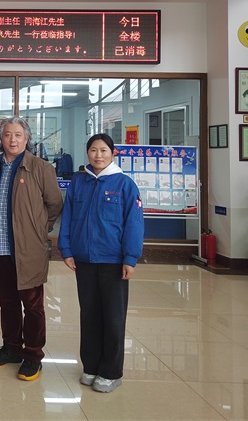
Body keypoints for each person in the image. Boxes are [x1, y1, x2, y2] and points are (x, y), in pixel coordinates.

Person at [58, 133, 144, 394]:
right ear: (88, 153)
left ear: (113, 153)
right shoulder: (79, 182)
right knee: (89, 315)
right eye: (93, 150)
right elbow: (68, 217)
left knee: (113, 318)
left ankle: (111, 372)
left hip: (113, 261)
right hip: (84, 260)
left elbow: (134, 223)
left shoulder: (125, 184)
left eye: (104, 150)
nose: (98, 155)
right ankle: (91, 366)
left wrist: (130, 258)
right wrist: (66, 249)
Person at [0, 116, 63, 381]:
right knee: (7, 302)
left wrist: (38, 230)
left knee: (33, 305)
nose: (12, 139)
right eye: (7, 134)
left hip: (28, 250)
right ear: (0, 139)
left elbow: (55, 205)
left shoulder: (40, 167)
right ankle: (12, 347)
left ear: (27, 138)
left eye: (18, 135)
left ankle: (33, 355)